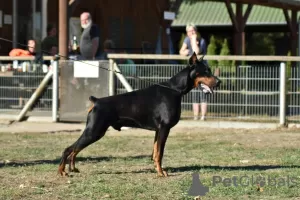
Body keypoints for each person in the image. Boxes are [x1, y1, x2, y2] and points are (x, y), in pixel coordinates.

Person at [179, 23, 208, 121]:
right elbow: (181, 51)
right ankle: (195, 116)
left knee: (203, 93)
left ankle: (203, 117)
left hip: (202, 71)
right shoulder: (187, 39)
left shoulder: (201, 40)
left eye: (193, 31)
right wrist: (185, 52)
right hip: (192, 71)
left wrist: (194, 41)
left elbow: (197, 52)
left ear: (196, 31)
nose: (191, 33)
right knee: (195, 94)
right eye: (189, 31)